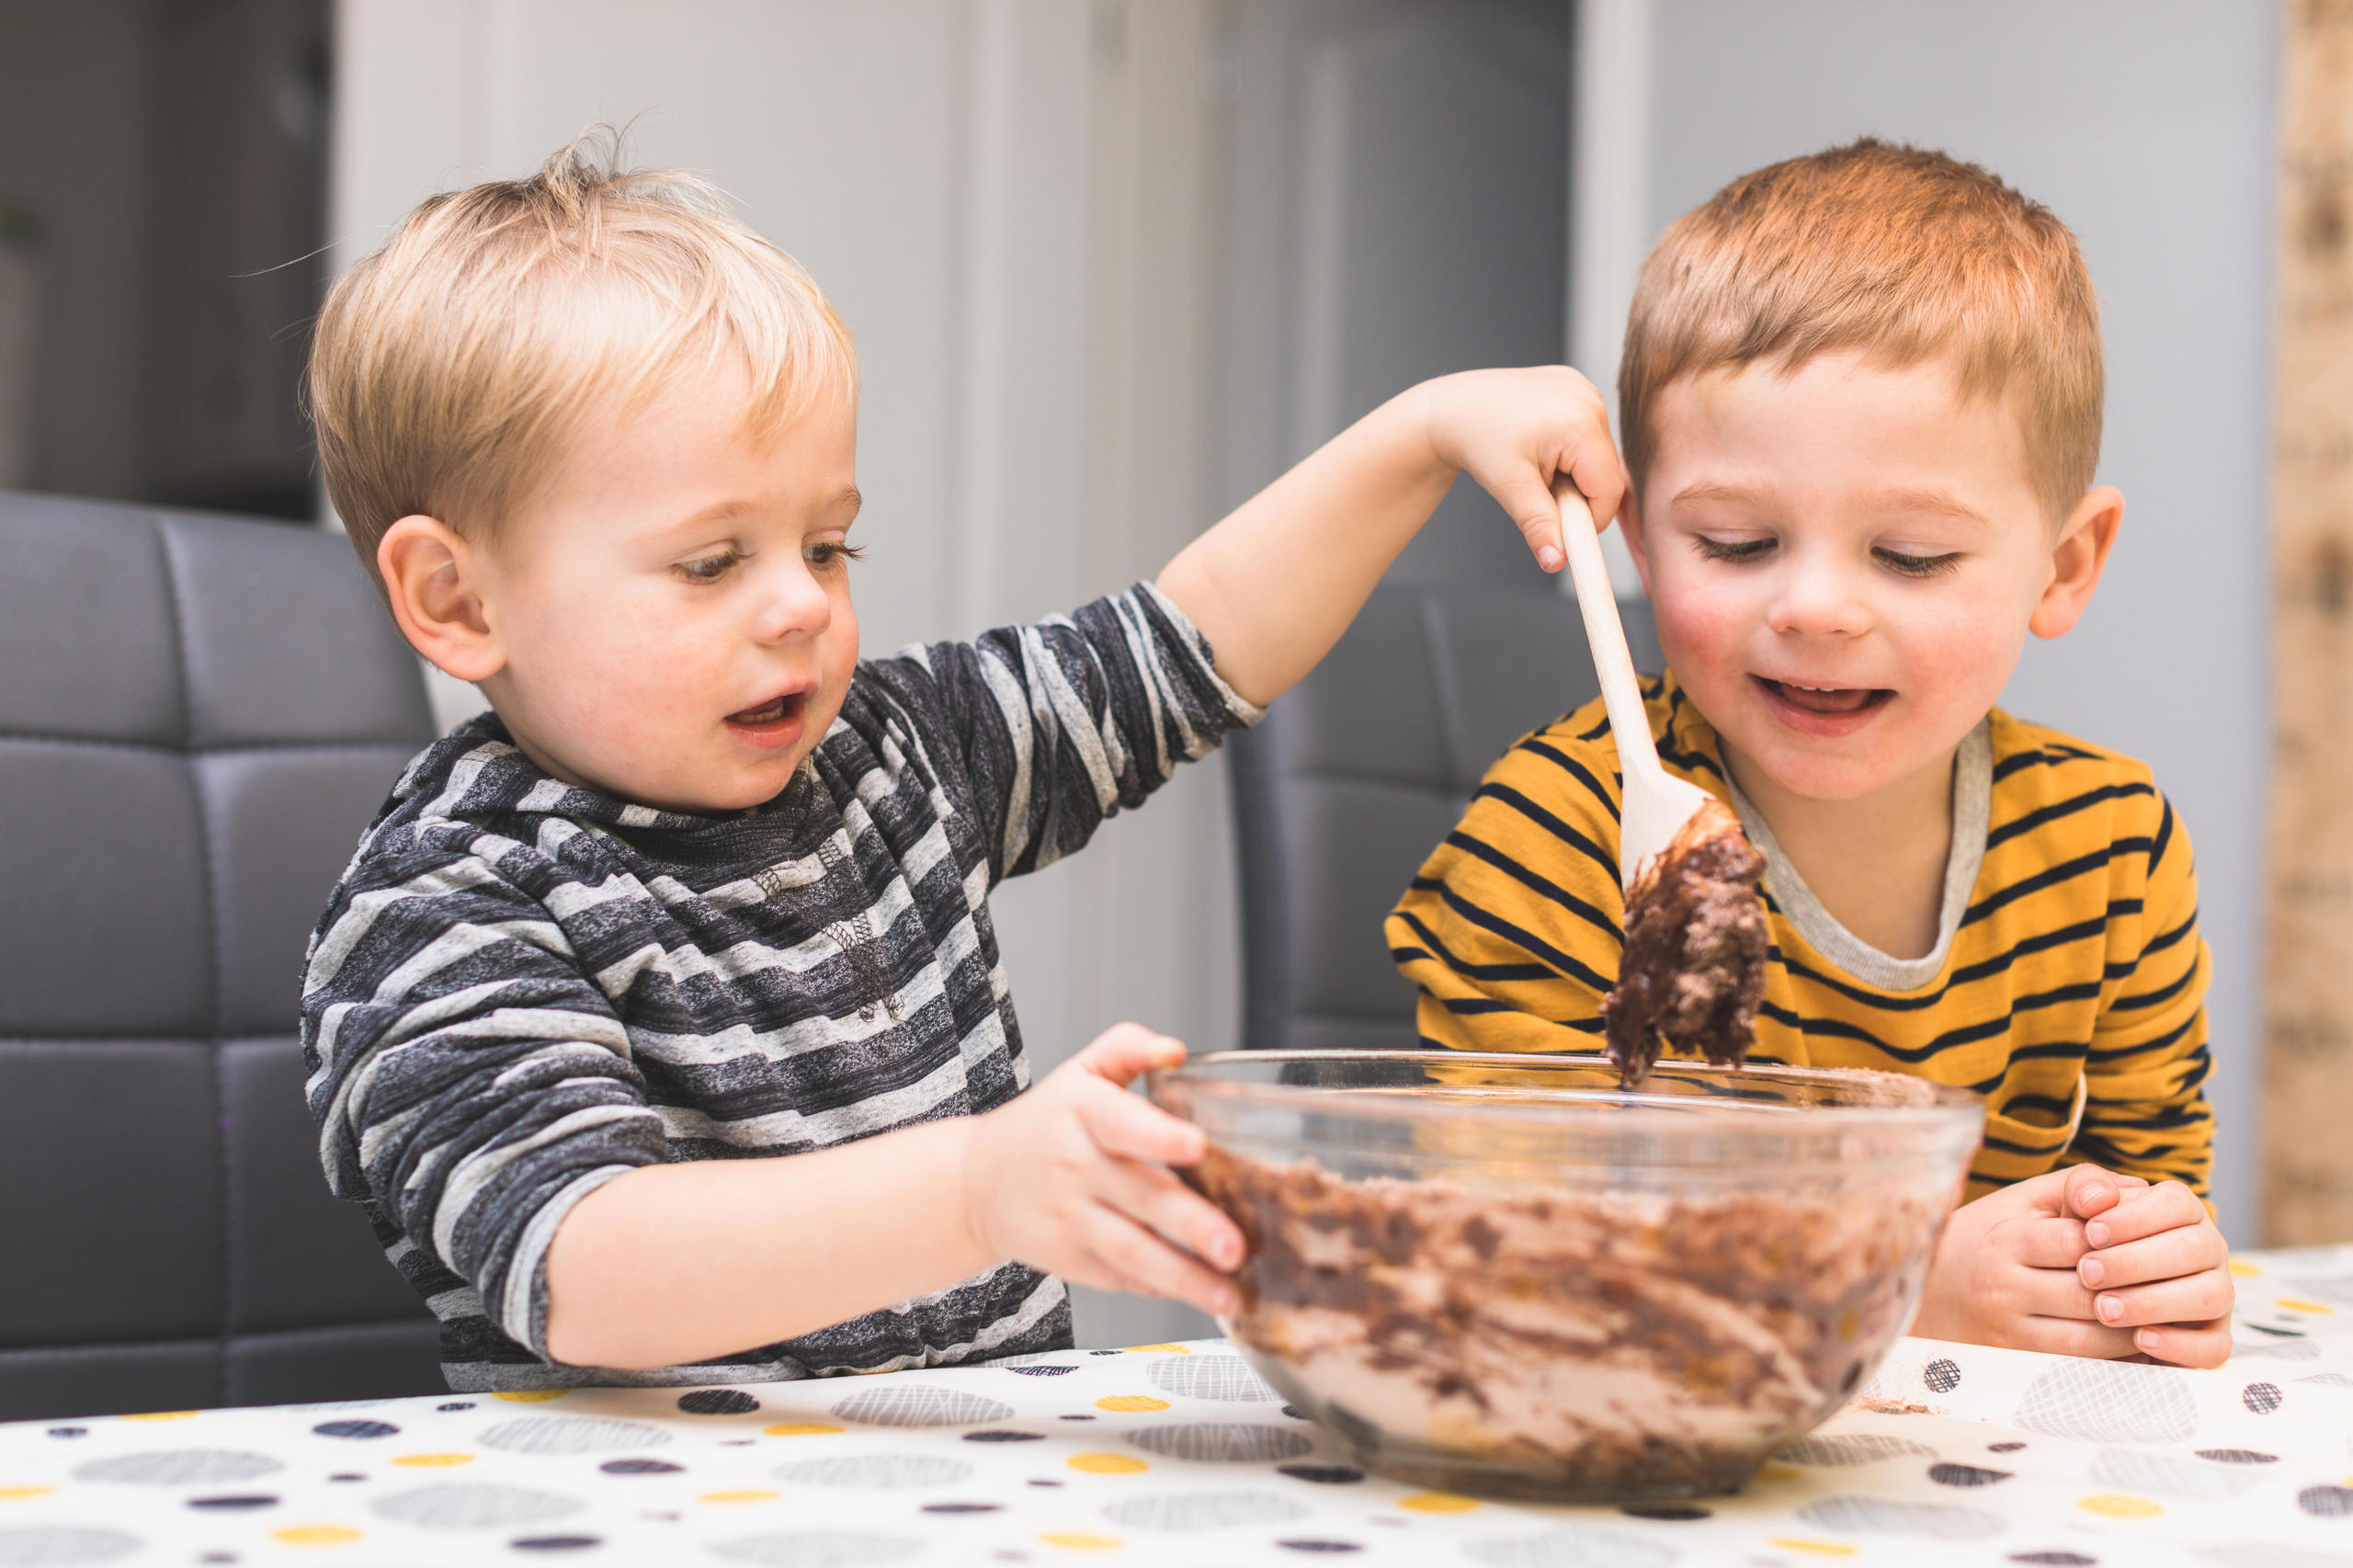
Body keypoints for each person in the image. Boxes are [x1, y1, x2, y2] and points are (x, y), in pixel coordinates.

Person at [299, 131, 1622, 1389]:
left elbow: (1192, 642)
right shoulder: (446, 903)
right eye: (711, 562)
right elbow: (582, 1262)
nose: (801, 605)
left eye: (827, 546)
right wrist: (979, 1188)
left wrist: (1424, 433)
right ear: (461, 601)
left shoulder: (891, 756)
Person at [1390, 140, 2234, 1368]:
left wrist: (2145, 1265)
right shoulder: (1555, 834)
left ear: (2063, 565)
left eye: (1911, 556)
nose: (1819, 608)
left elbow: (2151, 1185)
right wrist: (1896, 1288)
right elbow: (1513, 1265)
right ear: (1639, 539)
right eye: (1735, 543)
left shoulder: (2114, 847)